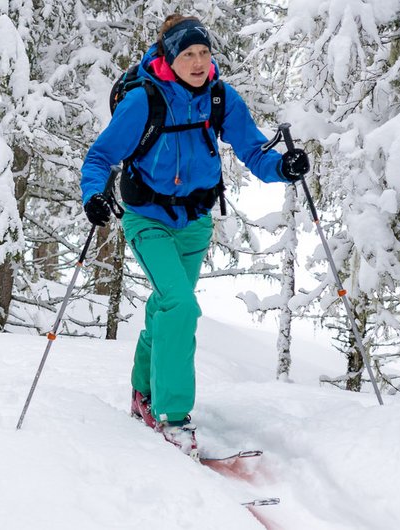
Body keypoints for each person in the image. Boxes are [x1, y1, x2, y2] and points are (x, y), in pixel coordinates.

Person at [79, 14, 310, 458]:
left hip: (196, 222)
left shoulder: (219, 97)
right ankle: (172, 416)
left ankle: (142, 392)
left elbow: (253, 150)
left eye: (204, 52)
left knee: (168, 306)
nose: (199, 62)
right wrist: (93, 195)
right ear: (170, 58)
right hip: (148, 220)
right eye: (189, 54)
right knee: (181, 305)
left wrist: (283, 167)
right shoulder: (143, 102)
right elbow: (99, 157)